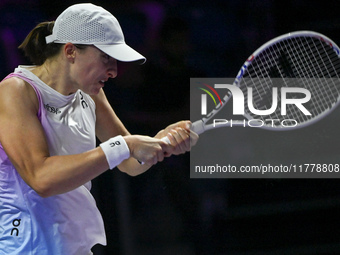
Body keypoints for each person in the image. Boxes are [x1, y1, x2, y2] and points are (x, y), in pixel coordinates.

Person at [0, 3, 198, 255]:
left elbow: (129, 162)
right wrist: (127, 145)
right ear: (70, 51)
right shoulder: (16, 92)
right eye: (106, 57)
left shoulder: (91, 93)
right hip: (24, 248)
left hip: (75, 248)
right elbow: (42, 178)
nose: (114, 71)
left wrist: (160, 142)